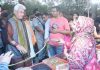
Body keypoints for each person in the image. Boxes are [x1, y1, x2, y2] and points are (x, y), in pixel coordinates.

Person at [7, 4, 30, 69]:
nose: (23, 14)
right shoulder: (10, 22)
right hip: (14, 51)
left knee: (26, 66)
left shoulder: (21, 21)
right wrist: (17, 45)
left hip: (23, 50)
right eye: (21, 12)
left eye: (23, 12)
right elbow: (8, 37)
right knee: (19, 67)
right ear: (15, 12)